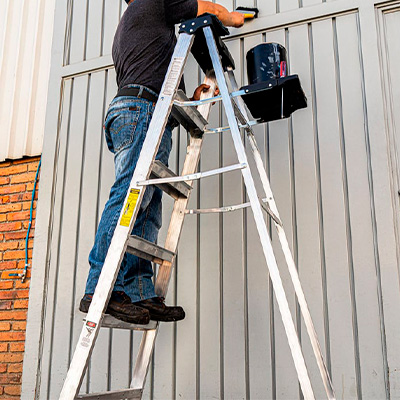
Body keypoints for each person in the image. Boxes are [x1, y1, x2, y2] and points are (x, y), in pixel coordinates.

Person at [80, 0, 244, 325]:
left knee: (148, 203)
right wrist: (234, 17)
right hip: (140, 111)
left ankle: (139, 290)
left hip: (145, 113)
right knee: (130, 196)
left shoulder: (141, 28)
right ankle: (100, 288)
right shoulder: (152, 1)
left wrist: (193, 100)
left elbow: (159, 80)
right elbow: (205, 6)